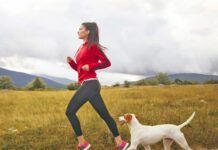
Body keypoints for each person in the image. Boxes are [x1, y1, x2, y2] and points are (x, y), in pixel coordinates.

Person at [66, 22, 129, 150]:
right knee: (105, 115)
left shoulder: (92, 46)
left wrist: (91, 66)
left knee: (69, 112)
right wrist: (72, 63)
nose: (77, 31)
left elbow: (107, 62)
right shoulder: (80, 48)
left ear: (88, 31)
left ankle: (83, 144)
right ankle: (120, 143)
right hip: (87, 84)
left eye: (80, 29)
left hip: (91, 83)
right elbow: (80, 69)